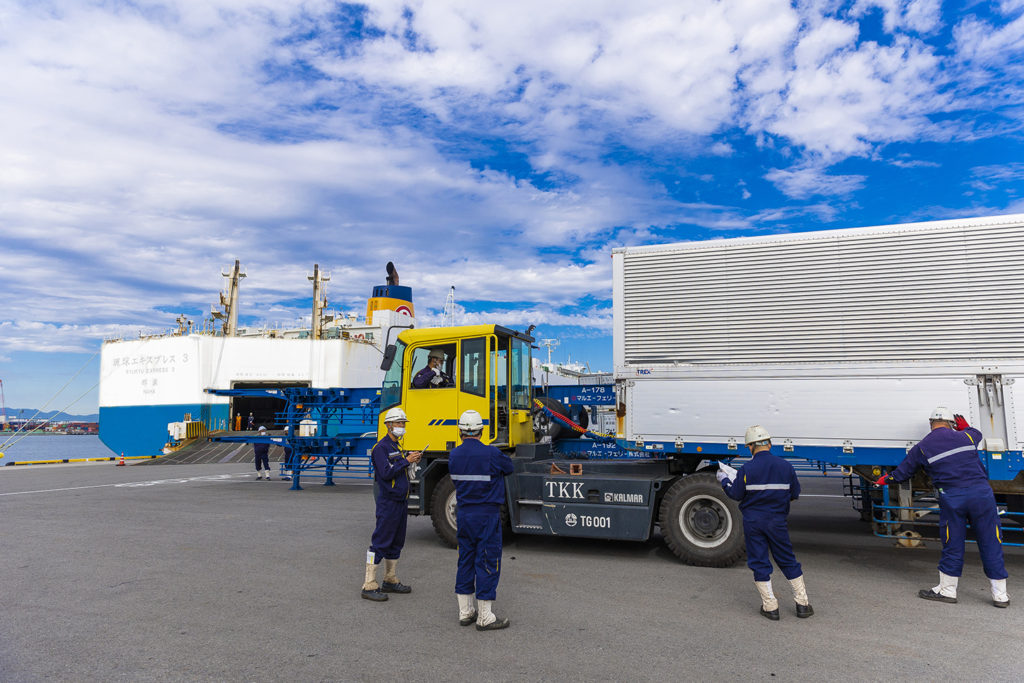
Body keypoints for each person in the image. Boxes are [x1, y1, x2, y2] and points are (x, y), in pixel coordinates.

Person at [874, 407, 1009, 607]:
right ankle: (1000, 595)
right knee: (991, 541)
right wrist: (965, 427)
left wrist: (885, 479)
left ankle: (947, 591)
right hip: (982, 495)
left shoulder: (922, 447)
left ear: (931, 424)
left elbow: (901, 474)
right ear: (951, 424)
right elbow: (978, 434)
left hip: (953, 498)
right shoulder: (967, 437)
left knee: (952, 541)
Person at [719, 425, 813, 620]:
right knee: (787, 559)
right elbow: (794, 494)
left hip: (753, 521)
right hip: (777, 521)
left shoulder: (747, 469)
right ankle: (803, 604)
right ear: (769, 443)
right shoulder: (786, 466)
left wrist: (724, 481)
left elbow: (735, 494)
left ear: (750, 447)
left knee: (759, 561)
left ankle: (770, 607)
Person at [448, 409, 515, 630]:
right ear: (482, 430)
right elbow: (509, 468)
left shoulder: (454, 455)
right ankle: (485, 617)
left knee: (465, 558)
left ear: (460, 432)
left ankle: (465, 612)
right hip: (486, 515)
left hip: (464, 514)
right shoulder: (492, 454)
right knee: (487, 560)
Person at [361, 407, 422, 602]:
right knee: (380, 542)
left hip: (400, 502)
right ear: (388, 425)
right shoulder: (381, 448)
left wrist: (409, 460)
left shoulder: (396, 447)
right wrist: (406, 461)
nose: (401, 426)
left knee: (396, 541)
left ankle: (390, 579)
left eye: (403, 423)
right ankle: (369, 584)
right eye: (398, 423)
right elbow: (386, 473)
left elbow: (397, 469)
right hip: (388, 503)